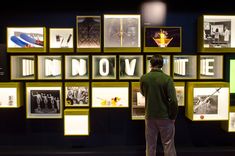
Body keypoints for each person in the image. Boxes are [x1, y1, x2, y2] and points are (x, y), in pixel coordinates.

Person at [140, 54, 178, 156]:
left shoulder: (144, 78)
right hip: (165, 117)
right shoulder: (167, 79)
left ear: (150, 64)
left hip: (150, 116)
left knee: (150, 145)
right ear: (162, 65)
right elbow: (173, 100)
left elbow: (143, 93)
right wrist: (173, 116)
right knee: (168, 144)